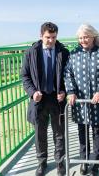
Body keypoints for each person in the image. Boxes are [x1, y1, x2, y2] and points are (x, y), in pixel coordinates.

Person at [21, 22, 69, 176]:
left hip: (57, 98)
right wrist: (32, 92)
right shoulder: (31, 52)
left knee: (59, 133)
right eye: (48, 37)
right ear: (41, 36)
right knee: (40, 133)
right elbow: (25, 76)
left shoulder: (63, 52)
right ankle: (42, 163)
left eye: (54, 37)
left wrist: (64, 91)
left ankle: (60, 162)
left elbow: (68, 75)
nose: (51, 41)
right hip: (39, 99)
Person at [64, 24, 99, 176]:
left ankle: (95, 163)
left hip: (97, 101)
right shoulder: (73, 54)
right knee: (82, 132)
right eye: (80, 38)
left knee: (97, 132)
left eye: (86, 37)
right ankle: (84, 161)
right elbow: (68, 74)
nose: (83, 40)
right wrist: (70, 92)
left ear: (93, 37)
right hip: (80, 102)